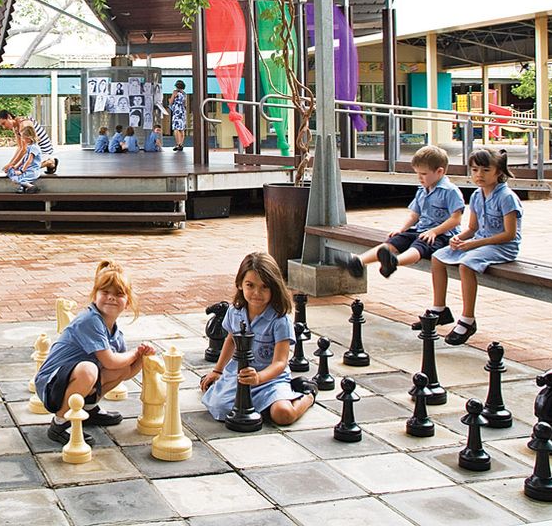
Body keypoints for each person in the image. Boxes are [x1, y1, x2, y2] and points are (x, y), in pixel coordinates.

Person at [33, 260, 156, 444]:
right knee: (88, 369)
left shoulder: (115, 332)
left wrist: (143, 356)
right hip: (51, 386)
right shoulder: (90, 321)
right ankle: (60, 422)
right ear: (94, 296)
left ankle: (88, 408)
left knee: (118, 368)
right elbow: (110, 362)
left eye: (119, 294)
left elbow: (125, 372)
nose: (111, 298)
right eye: (105, 292)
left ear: (127, 302)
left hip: (69, 383)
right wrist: (135, 353)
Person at [200, 253, 318, 425]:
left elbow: (280, 362)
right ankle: (262, 407)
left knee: (283, 414)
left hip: (270, 379)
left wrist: (259, 378)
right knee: (221, 408)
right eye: (250, 285)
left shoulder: (279, 320)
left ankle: (308, 395)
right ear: (239, 284)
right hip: (240, 375)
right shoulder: (235, 311)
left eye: (264, 287)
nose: (257, 293)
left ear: (274, 288)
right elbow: (231, 340)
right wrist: (218, 371)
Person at [427, 148, 522, 345]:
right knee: (437, 256)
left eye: (486, 170)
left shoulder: (506, 197)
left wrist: (473, 244)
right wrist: (458, 239)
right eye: (475, 170)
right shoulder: (478, 195)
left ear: (499, 172)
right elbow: (472, 227)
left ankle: (468, 319)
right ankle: (439, 308)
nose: (479, 175)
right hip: (479, 243)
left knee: (467, 264)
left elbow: (509, 234)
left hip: (503, 246)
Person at [336, 145, 465, 279]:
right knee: (396, 240)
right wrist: (402, 229)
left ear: (439, 172)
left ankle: (394, 262)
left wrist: (434, 231)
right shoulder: (422, 190)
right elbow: (415, 215)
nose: (420, 177)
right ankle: (359, 262)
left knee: (420, 245)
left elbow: (456, 219)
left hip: (442, 236)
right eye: (417, 173)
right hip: (421, 230)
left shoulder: (450, 191)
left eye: (424, 174)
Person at [0, 110, 58, 175]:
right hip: (34, 151)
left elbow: (24, 149)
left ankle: (50, 161)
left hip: (44, 151)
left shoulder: (24, 124)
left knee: (23, 169)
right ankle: (45, 162)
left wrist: (12, 165)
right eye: (1, 126)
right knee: (18, 168)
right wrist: (10, 164)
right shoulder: (16, 127)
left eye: (4, 123)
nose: (4, 127)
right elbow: (20, 147)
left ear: (9, 117)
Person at [6, 124, 43, 193]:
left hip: (32, 171)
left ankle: (31, 187)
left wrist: (22, 171)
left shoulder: (34, 147)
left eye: (23, 138)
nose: (22, 140)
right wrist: (16, 166)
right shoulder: (29, 146)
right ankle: (23, 187)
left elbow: (29, 161)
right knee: (10, 171)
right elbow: (24, 159)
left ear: (29, 138)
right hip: (27, 169)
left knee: (19, 180)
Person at [169, 80, 187, 152]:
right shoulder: (184, 94)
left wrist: (170, 101)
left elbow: (171, 102)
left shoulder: (175, 92)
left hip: (177, 110)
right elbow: (185, 104)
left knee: (176, 128)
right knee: (181, 129)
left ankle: (178, 144)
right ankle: (181, 144)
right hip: (182, 111)